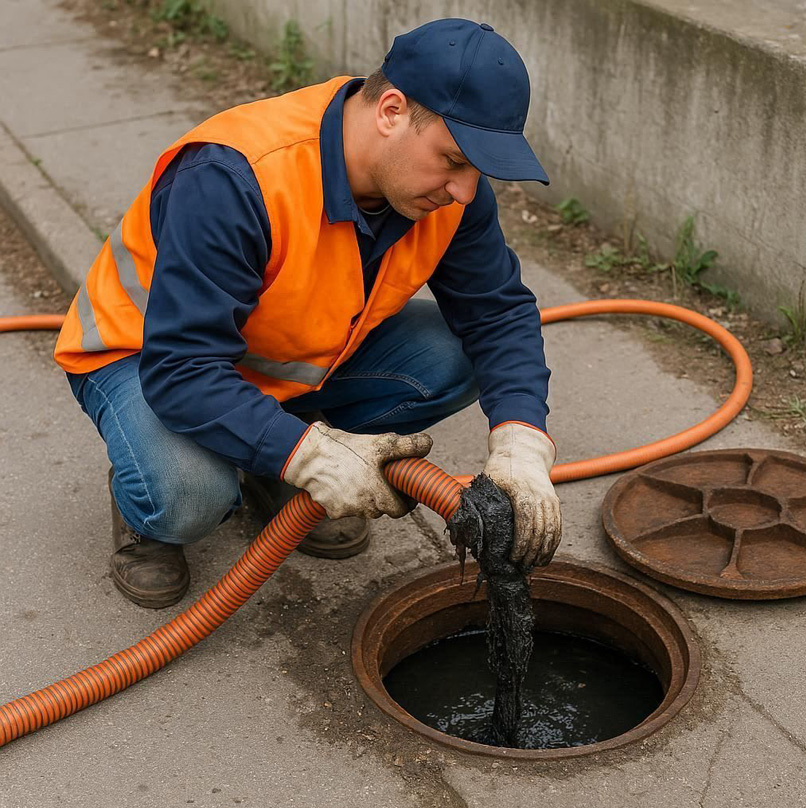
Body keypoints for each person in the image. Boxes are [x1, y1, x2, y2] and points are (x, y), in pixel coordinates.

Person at [54, 18, 562, 609]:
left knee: (453, 356)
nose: (466, 191)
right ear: (391, 111)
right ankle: (148, 510)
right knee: (189, 495)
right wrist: (311, 455)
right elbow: (182, 369)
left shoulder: (446, 189)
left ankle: (269, 456)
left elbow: (497, 315)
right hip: (145, 356)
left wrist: (522, 442)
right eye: (453, 160)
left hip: (275, 353)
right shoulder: (234, 177)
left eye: (478, 169)